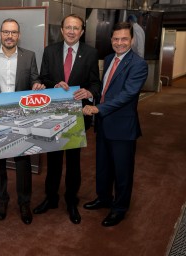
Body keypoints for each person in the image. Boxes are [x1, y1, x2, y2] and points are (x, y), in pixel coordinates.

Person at [33, 14, 101, 225]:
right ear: (61, 30)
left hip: (77, 117)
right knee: (52, 162)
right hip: (53, 114)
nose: (72, 31)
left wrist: (87, 92)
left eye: (76, 28)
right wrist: (51, 86)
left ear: (82, 32)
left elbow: (95, 84)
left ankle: (71, 200)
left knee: (73, 163)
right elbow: (43, 78)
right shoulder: (49, 51)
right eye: (68, 27)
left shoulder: (91, 53)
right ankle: (51, 198)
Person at [0, 18, 45, 225]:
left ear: (19, 35)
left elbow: (35, 79)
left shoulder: (29, 56)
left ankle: (24, 203)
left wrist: (37, 85)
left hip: (21, 117)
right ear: (0, 34)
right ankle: (2, 200)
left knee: (23, 164)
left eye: (13, 32)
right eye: (6, 32)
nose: (9, 36)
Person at [82, 22, 148, 227]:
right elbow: (106, 90)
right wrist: (91, 96)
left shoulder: (138, 64)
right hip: (104, 125)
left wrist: (98, 109)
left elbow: (127, 94)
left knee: (122, 172)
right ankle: (103, 198)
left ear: (132, 40)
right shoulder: (110, 59)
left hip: (122, 128)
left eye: (124, 39)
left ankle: (119, 209)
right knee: (102, 167)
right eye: (116, 39)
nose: (119, 43)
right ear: (111, 40)